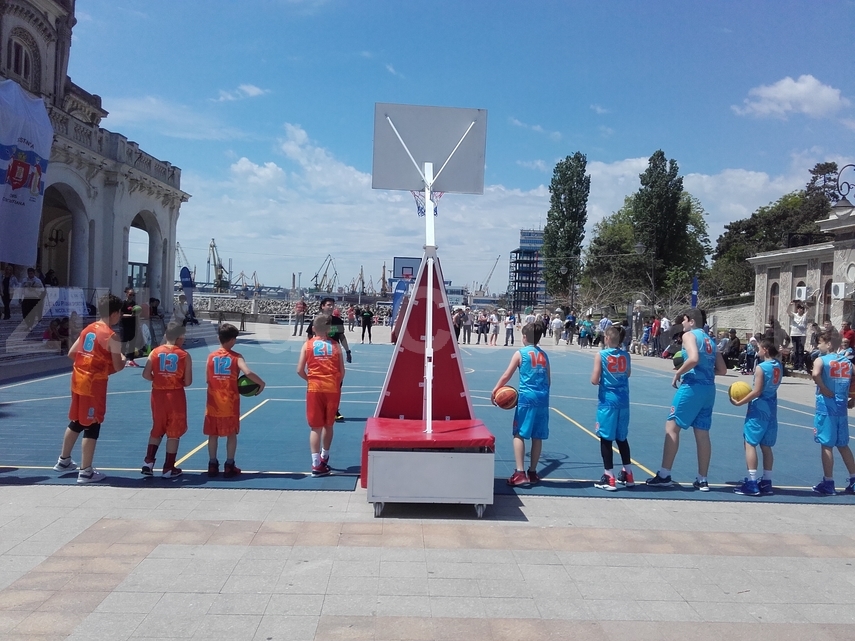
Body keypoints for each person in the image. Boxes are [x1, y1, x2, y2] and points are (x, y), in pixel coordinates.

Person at [646, 308, 727, 491]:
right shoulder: (710, 340)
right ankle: (702, 478)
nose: (682, 324)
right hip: (709, 388)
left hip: (692, 386)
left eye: (683, 321)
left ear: (690, 321)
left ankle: (664, 473)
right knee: (702, 432)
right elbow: (722, 370)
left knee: (672, 427)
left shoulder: (689, 336)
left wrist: (678, 373)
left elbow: (693, 358)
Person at [53, 293, 125, 483]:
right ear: (115, 313)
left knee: (77, 419)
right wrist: (124, 360)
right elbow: (118, 366)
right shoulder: (112, 336)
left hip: (77, 380)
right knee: (92, 424)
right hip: (93, 385)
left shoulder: (88, 329)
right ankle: (86, 471)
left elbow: (71, 353)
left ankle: (64, 460)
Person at [492, 322, 550, 486]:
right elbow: (549, 379)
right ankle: (532, 472)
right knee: (537, 436)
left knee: (519, 434)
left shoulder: (521, 353)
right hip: (543, 398)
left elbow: (506, 375)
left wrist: (496, 390)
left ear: (524, 337)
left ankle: (519, 473)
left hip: (527, 398)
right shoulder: (544, 355)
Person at [204, 323, 266, 478]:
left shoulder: (211, 357)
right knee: (231, 434)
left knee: (213, 434)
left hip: (213, 402)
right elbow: (247, 372)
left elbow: (207, 379)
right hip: (229, 402)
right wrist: (261, 383)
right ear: (232, 340)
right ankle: (229, 464)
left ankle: (212, 464)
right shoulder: (236, 357)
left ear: (219, 338)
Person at [730, 339, 782, 496]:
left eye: (758, 347)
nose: (757, 349)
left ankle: (752, 482)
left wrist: (740, 402)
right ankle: (767, 482)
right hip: (772, 407)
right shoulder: (778, 365)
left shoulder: (761, 368)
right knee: (766, 446)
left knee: (750, 443)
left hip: (759, 408)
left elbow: (757, 391)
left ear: (765, 349)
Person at [141, 321, 192, 478]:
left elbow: (145, 374)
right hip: (175, 395)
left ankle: (148, 462)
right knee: (173, 432)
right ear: (179, 338)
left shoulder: (155, 352)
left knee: (157, 427)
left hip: (158, 394)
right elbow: (188, 381)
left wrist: (158, 379)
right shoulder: (184, 355)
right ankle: (169, 467)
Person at [297, 314, 345, 476]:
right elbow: (342, 371)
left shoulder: (307, 345)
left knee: (315, 427)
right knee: (329, 424)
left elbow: (299, 370)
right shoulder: (336, 346)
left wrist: (310, 379)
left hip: (314, 388)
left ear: (313, 328)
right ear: (330, 330)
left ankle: (316, 463)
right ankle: (325, 456)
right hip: (331, 388)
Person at [810, 330, 855, 496]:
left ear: (829, 344)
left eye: (820, 342)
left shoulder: (822, 360)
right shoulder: (847, 362)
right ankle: (853, 479)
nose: (817, 346)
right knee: (843, 445)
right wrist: (853, 398)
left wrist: (823, 387)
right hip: (841, 408)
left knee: (826, 444)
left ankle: (828, 482)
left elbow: (815, 374)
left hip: (826, 407)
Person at [591, 325, 634, 491]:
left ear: (607, 338)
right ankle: (628, 473)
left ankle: (609, 476)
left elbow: (595, 379)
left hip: (608, 401)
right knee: (621, 437)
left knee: (606, 437)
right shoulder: (626, 355)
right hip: (624, 400)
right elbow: (627, 373)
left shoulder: (601, 355)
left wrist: (602, 380)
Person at [306, 298, 351, 421]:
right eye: (329, 305)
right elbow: (309, 337)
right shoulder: (317, 321)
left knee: (337, 384)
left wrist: (347, 351)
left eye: (333, 305)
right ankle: (319, 409)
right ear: (322, 306)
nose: (331, 307)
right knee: (320, 384)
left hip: (334, 356)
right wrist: (308, 354)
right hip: (320, 357)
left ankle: (334, 410)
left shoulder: (338, 321)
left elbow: (341, 337)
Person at [120, 287, 140, 363]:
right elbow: (120, 315)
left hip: (133, 325)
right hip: (124, 326)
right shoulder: (123, 303)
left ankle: (131, 359)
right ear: (126, 294)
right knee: (124, 343)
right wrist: (130, 316)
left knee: (132, 343)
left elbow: (137, 315)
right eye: (130, 294)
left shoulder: (134, 304)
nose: (132, 296)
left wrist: (138, 324)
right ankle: (122, 358)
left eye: (133, 295)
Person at [787, 301, 807, 371]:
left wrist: (804, 304)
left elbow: (809, 310)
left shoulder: (804, 316)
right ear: (797, 309)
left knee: (800, 350)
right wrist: (790, 305)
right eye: (799, 308)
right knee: (795, 350)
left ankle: (800, 365)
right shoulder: (794, 315)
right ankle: (795, 365)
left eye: (801, 309)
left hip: (802, 335)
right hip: (794, 334)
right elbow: (788, 312)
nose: (800, 310)